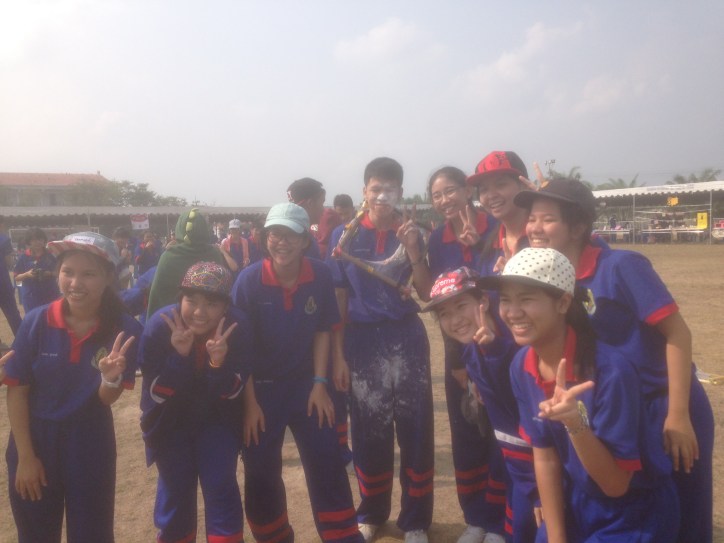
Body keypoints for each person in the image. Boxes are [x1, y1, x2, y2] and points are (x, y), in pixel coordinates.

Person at [515, 178, 714, 543]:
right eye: (531, 218)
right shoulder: (551, 282)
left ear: (578, 227)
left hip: (663, 402)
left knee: (685, 513)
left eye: (547, 218)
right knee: (617, 495)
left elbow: (678, 334)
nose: (534, 228)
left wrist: (677, 414)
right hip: (609, 405)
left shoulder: (619, 267)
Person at [478, 247, 680, 542]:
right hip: (577, 500)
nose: (512, 312)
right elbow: (545, 458)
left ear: (563, 302)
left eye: (526, 299)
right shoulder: (522, 365)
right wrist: (556, 538)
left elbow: (615, 486)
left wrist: (576, 424)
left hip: (633, 512)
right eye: (505, 299)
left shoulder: (610, 371)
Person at [232, 203, 363, 543]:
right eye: (275, 234)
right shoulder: (248, 281)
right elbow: (240, 349)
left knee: (327, 460)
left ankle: (343, 536)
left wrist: (320, 384)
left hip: (307, 386)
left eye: (291, 235)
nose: (282, 242)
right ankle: (273, 537)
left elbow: (322, 328)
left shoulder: (319, 274)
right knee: (261, 470)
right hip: (261, 391)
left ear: (306, 240)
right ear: (265, 238)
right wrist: (249, 404)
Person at [2, 231, 142, 543]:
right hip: (36, 441)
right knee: (36, 535)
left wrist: (110, 378)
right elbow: (18, 390)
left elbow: (106, 399)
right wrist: (25, 457)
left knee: (92, 535)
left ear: (108, 277)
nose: (76, 283)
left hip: (90, 443)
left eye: (88, 274)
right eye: (68, 272)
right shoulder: (37, 322)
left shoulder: (124, 328)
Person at [327, 157, 434, 543]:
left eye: (390, 189)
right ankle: (372, 512)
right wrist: (338, 355)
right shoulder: (344, 236)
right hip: (361, 340)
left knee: (415, 428)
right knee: (369, 430)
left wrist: (413, 249)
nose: (382, 196)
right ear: (365, 191)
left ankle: (416, 520)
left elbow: (427, 292)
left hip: (406, 338)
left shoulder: (414, 232)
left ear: (401, 193)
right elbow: (338, 298)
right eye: (376, 188)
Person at [423, 268, 539, 543]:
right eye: (444, 314)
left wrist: (494, 350)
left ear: (484, 301)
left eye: (461, 305)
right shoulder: (471, 351)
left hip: (538, 463)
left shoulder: (519, 345)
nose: (454, 320)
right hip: (514, 459)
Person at [140, 261, 250, 543]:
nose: (200, 312)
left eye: (211, 303)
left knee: (220, 484)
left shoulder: (236, 327)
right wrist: (179, 357)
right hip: (170, 422)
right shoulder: (159, 327)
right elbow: (155, 395)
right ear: (180, 299)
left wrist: (217, 363)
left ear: (225, 307)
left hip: (218, 419)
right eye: (192, 301)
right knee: (175, 490)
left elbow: (233, 392)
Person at [426, 167, 506, 543]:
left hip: (499, 343)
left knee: (501, 434)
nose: (445, 200)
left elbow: (498, 284)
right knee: (466, 433)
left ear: (466, 191)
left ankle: (501, 521)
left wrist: (478, 245)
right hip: (460, 349)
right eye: (437, 195)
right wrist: (457, 361)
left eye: (451, 191)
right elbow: (442, 301)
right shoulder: (436, 239)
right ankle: (475, 517)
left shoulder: (496, 225)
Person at [146, 208, 227, 319]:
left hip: (173, 320)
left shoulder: (169, 256)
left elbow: (157, 296)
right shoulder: (215, 254)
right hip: (207, 319)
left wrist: (154, 323)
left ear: (179, 229)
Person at [13, 227, 60, 313]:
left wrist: (49, 273)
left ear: (44, 240)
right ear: (29, 242)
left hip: (50, 295)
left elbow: (59, 273)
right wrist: (27, 274)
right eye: (34, 240)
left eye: (40, 239)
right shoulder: (23, 257)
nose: (38, 242)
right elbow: (16, 278)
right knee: (33, 318)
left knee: (50, 317)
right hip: (31, 297)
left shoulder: (50, 255)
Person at [287, 177, 326, 259]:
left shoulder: (278, 236)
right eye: (322, 203)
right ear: (310, 203)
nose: (323, 209)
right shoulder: (305, 242)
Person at [0, 216, 22, 338]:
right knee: (12, 313)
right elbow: (9, 262)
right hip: (2, 283)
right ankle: (22, 340)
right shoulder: (4, 239)